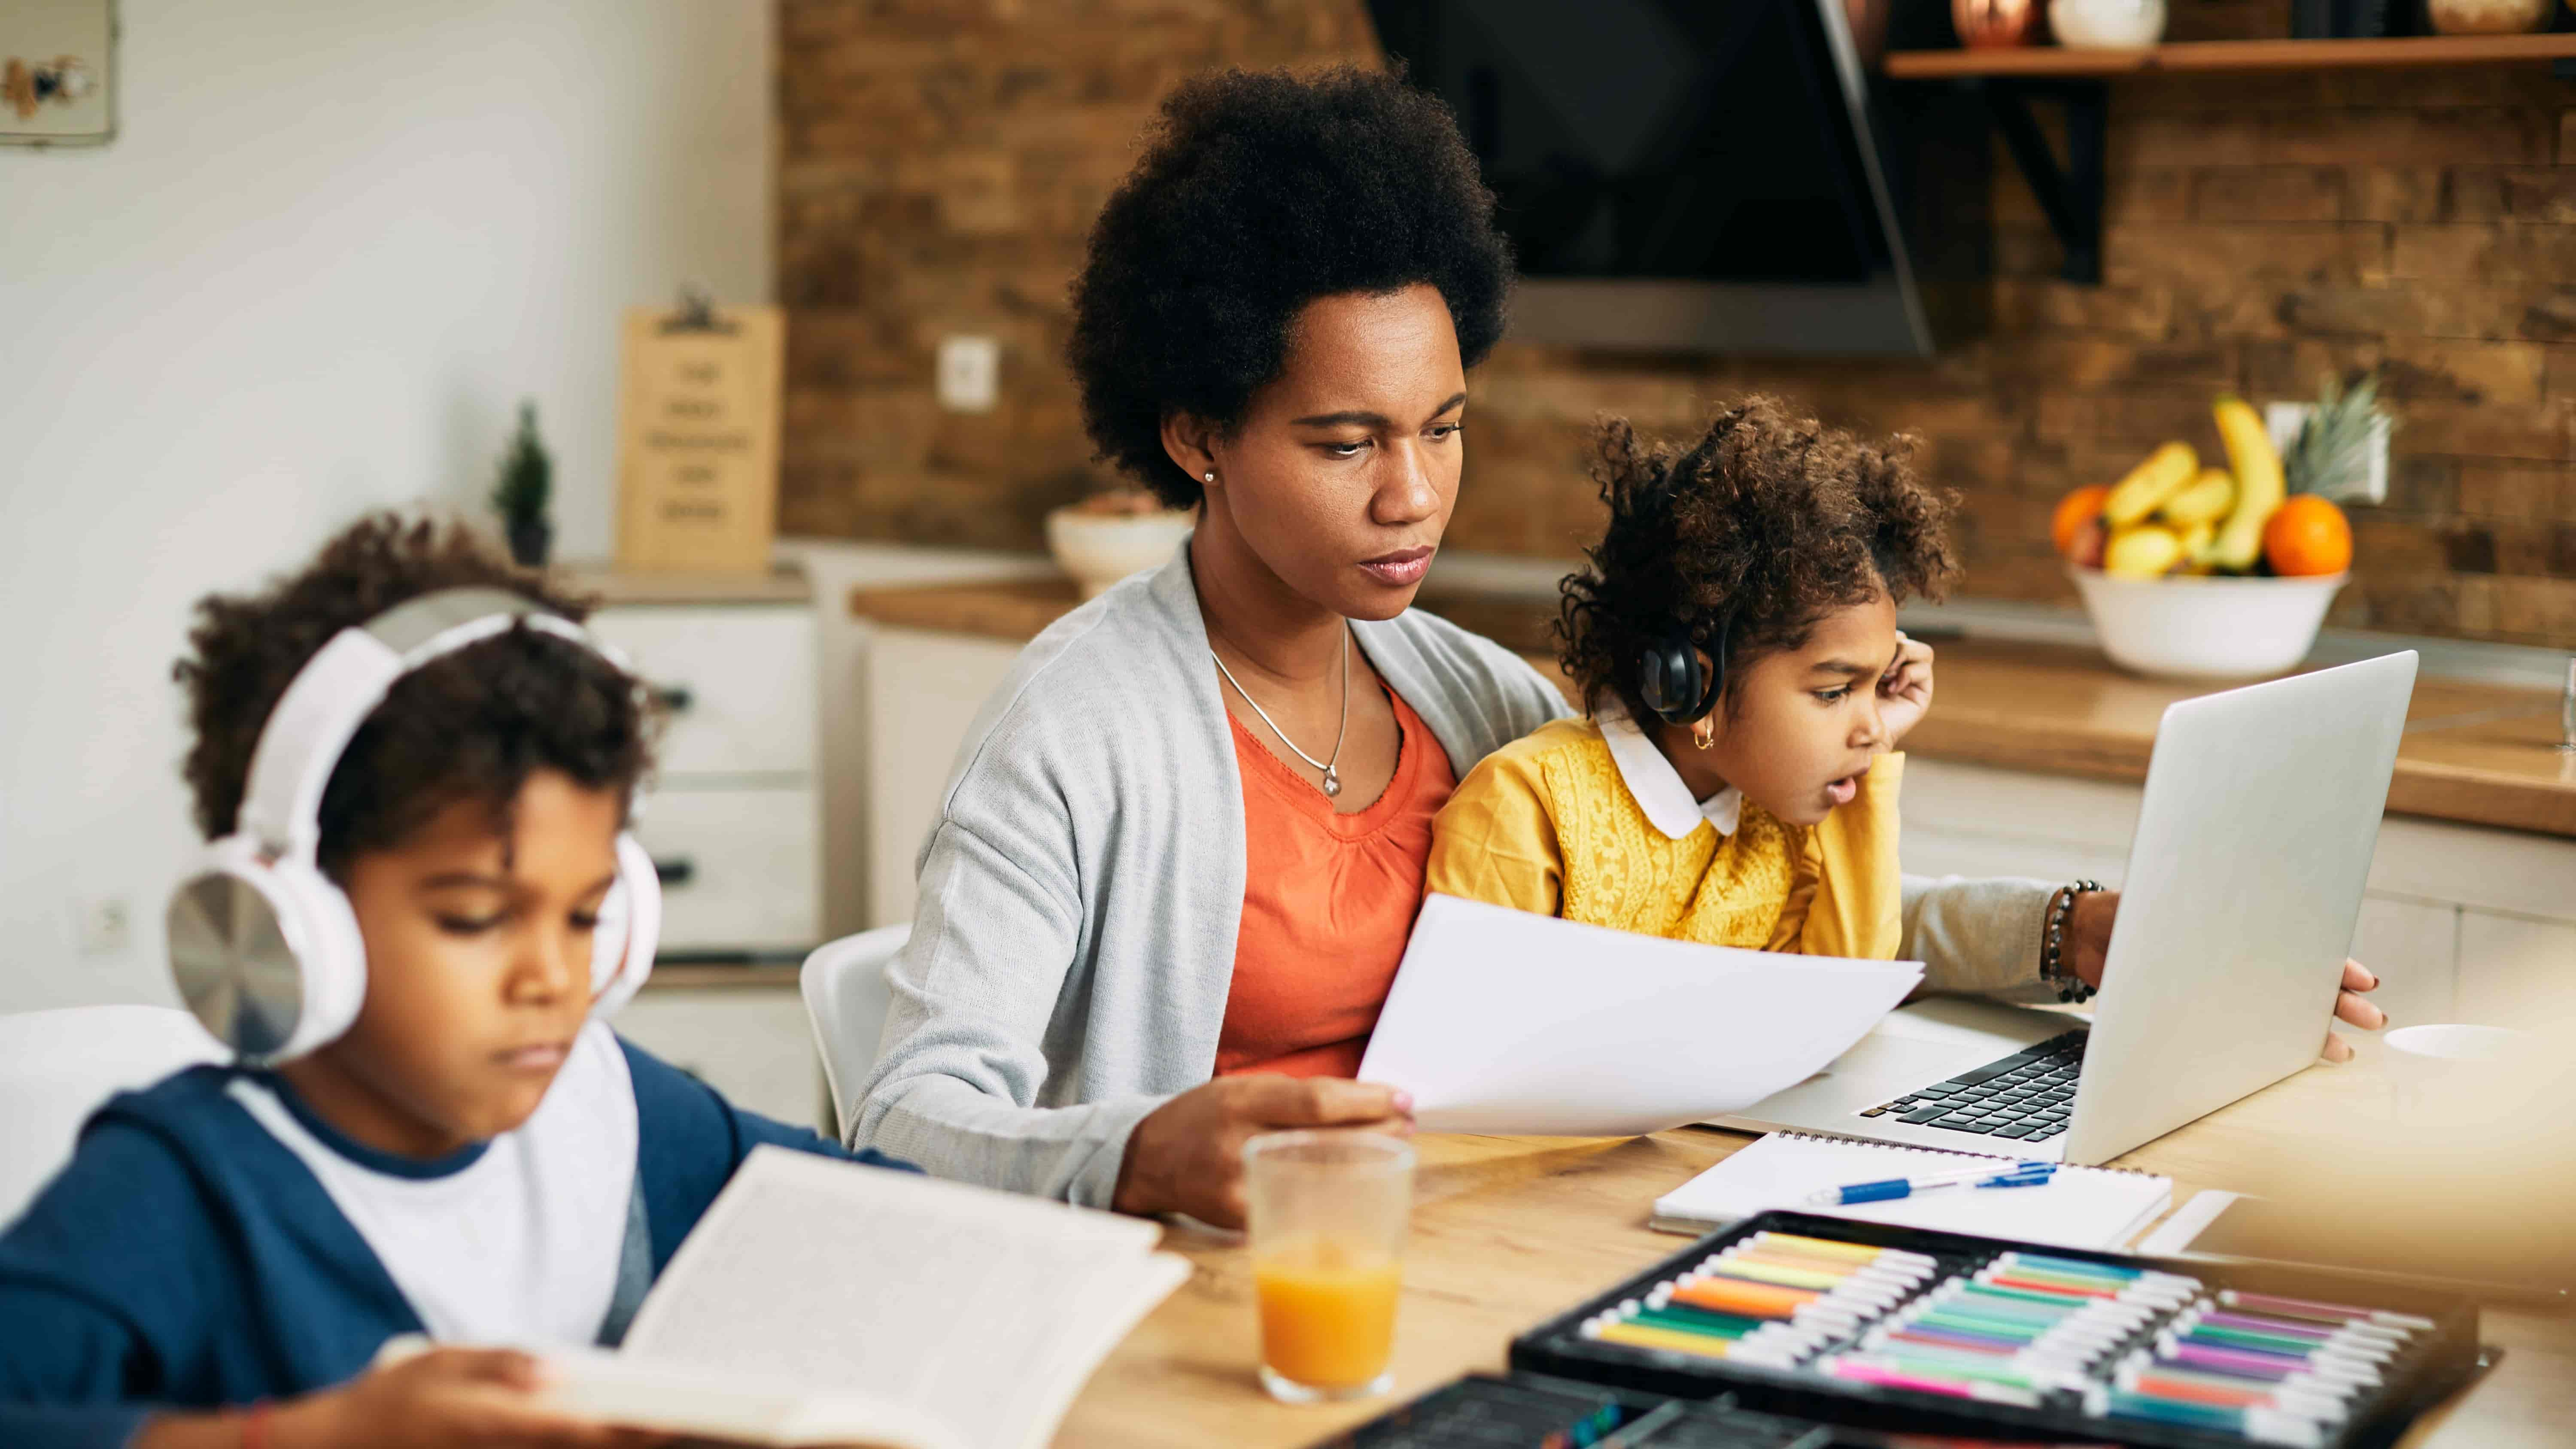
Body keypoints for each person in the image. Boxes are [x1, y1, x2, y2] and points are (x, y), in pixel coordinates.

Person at [845, 66, 2226, 1231]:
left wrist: (2073, 929)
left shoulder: (1472, 698)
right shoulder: (1079, 727)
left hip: (1495, 1235)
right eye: (1346, 443)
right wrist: (1140, 1153)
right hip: (1233, 1290)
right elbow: (907, 1117)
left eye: (1443, 426)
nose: (1415, 495)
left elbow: (1771, 915)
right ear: (1198, 433)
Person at [0, 516, 911, 1449]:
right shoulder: (180, 1188)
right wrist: (316, 1436)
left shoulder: (611, 1107)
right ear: (293, 925)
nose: (553, 979)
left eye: (587, 915)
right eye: (477, 918)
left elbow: (888, 1216)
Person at [1426, 399, 2385, 1050]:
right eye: (1833, 689)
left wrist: (1870, 747)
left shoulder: (1779, 811)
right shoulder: (1527, 809)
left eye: (1876, 685)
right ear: (1694, 678)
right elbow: (1465, 1064)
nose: (1865, 724)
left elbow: (1848, 985)